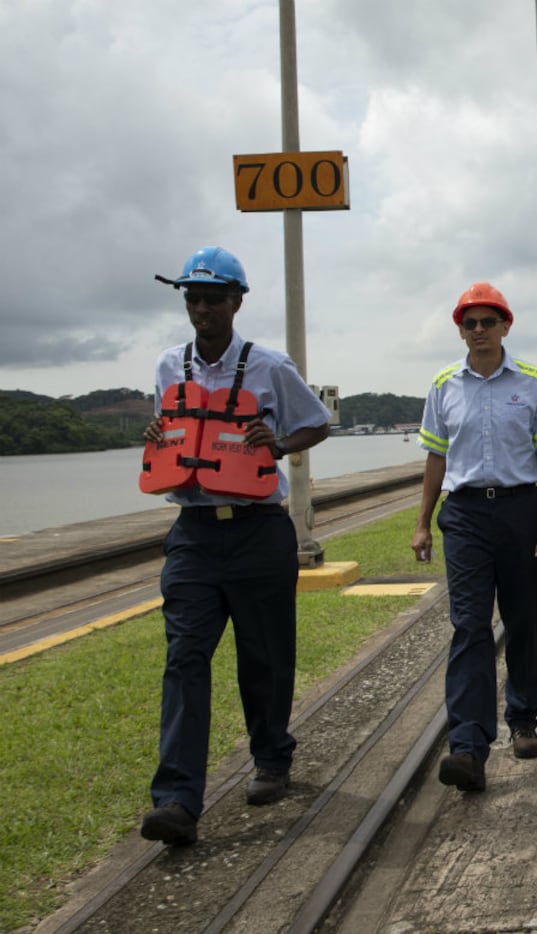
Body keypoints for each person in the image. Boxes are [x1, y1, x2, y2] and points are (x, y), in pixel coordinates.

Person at [138, 246, 332, 846]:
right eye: (192, 298)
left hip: (258, 529)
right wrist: (157, 434)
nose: (201, 309)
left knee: (264, 656)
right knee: (184, 658)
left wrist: (278, 444)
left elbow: (317, 422)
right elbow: (173, 433)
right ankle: (176, 801)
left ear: (236, 302)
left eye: (213, 299)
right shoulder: (169, 367)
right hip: (193, 533)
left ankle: (271, 757)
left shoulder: (270, 366)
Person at [411, 282, 537, 793]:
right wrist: (423, 521)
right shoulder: (443, 385)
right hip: (463, 515)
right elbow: (436, 456)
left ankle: (523, 716)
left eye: (488, 321)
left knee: (528, 618)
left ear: (505, 326)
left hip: (521, 510)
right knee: (469, 625)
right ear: (460, 331)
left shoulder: (534, 383)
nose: (478, 330)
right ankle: (467, 744)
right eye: (470, 323)